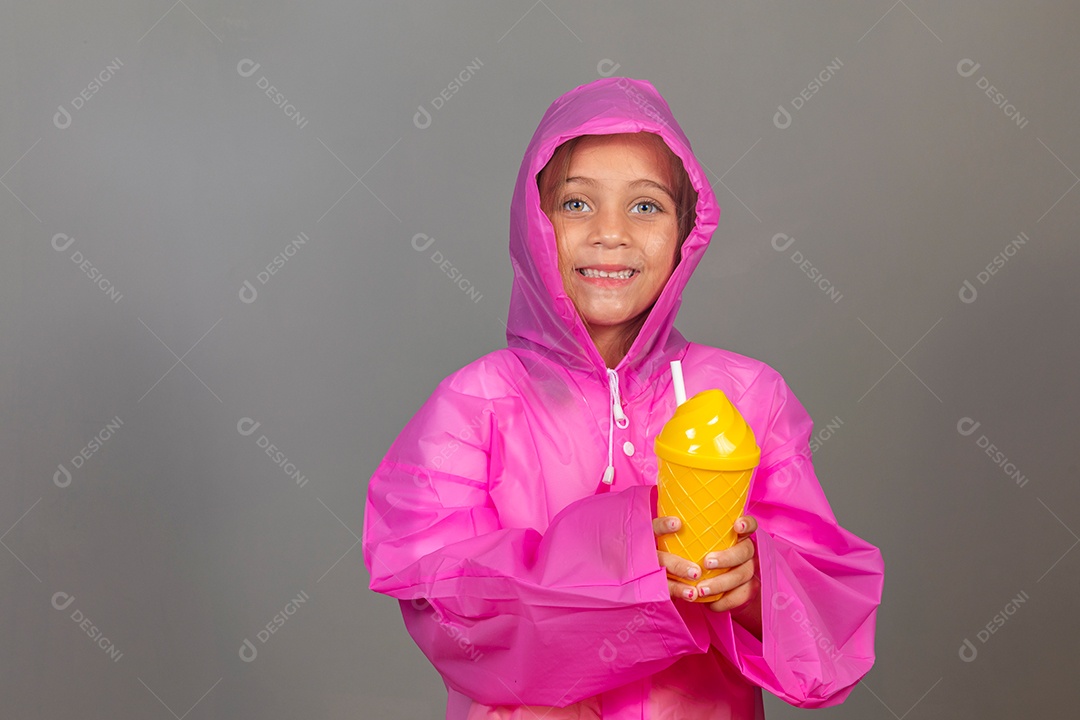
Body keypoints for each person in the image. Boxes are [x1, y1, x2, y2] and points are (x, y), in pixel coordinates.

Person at [362, 77, 884, 720]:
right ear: (535, 225)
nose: (611, 234)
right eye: (577, 205)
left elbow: (831, 613)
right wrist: (627, 557)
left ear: (686, 232)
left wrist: (753, 585)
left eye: (646, 207)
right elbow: (445, 604)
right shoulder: (473, 406)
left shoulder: (748, 396)